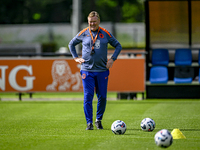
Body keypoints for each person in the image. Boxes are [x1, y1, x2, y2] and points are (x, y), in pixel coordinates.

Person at [68, 11, 122, 130]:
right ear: (88, 22)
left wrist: (112, 59)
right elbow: (71, 44)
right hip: (87, 70)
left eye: (94, 21)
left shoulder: (105, 33)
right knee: (88, 96)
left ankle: (98, 120)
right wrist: (76, 58)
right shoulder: (84, 33)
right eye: (90, 22)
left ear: (99, 21)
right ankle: (89, 123)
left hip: (102, 70)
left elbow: (118, 45)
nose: (92, 24)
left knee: (102, 96)